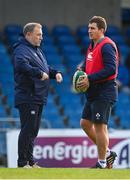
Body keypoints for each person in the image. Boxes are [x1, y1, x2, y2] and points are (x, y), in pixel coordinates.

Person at [12, 23, 63, 168]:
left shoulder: (37, 50)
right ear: (28, 35)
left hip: (38, 96)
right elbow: (21, 65)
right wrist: (39, 73)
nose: (41, 37)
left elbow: (45, 68)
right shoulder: (21, 50)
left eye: (41, 34)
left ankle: (30, 161)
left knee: (33, 130)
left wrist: (56, 73)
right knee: (28, 129)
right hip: (28, 95)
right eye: (38, 34)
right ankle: (22, 163)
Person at [76, 16, 119, 168]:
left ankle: (101, 163)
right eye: (89, 28)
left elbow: (111, 69)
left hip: (104, 91)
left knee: (100, 126)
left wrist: (89, 77)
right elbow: (91, 64)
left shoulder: (107, 45)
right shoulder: (92, 45)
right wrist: (82, 70)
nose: (89, 31)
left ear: (101, 30)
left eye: (93, 28)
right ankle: (108, 154)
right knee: (85, 123)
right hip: (93, 91)